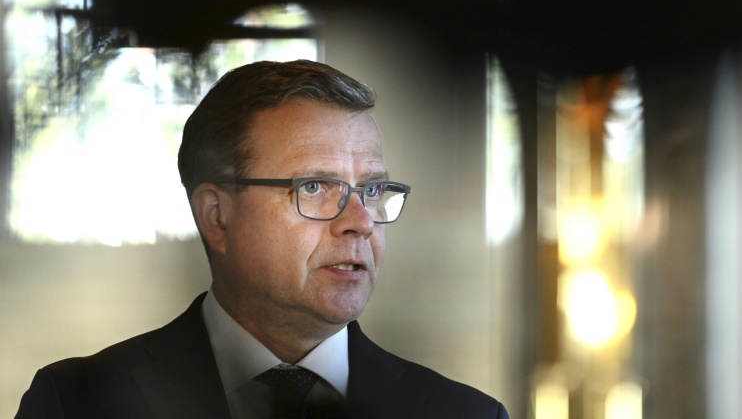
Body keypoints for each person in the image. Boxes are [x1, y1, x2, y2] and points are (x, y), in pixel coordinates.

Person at [16, 60, 509, 418]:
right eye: (315, 187)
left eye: (373, 190)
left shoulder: (465, 414)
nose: (360, 221)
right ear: (217, 216)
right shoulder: (75, 403)